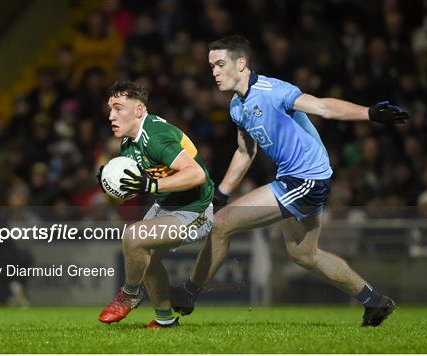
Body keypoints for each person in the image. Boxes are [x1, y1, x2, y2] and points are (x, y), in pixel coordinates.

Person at [171, 35, 409, 327]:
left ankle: (188, 293)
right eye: (212, 66)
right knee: (304, 254)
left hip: (306, 179)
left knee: (221, 225)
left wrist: (369, 113)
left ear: (241, 63)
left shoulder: (273, 91)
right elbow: (246, 151)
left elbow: (322, 107)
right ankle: (374, 302)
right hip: (299, 178)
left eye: (220, 64)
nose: (214, 72)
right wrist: (222, 192)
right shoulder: (237, 106)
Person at [97, 80, 214, 328]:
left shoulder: (156, 136)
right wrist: (110, 186)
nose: (111, 116)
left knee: (134, 236)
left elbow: (196, 175)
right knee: (140, 253)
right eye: (110, 109)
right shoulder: (128, 143)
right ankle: (165, 320)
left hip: (196, 211)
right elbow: (127, 194)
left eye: (118, 108)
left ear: (139, 111)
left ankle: (130, 294)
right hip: (166, 207)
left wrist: (151, 186)